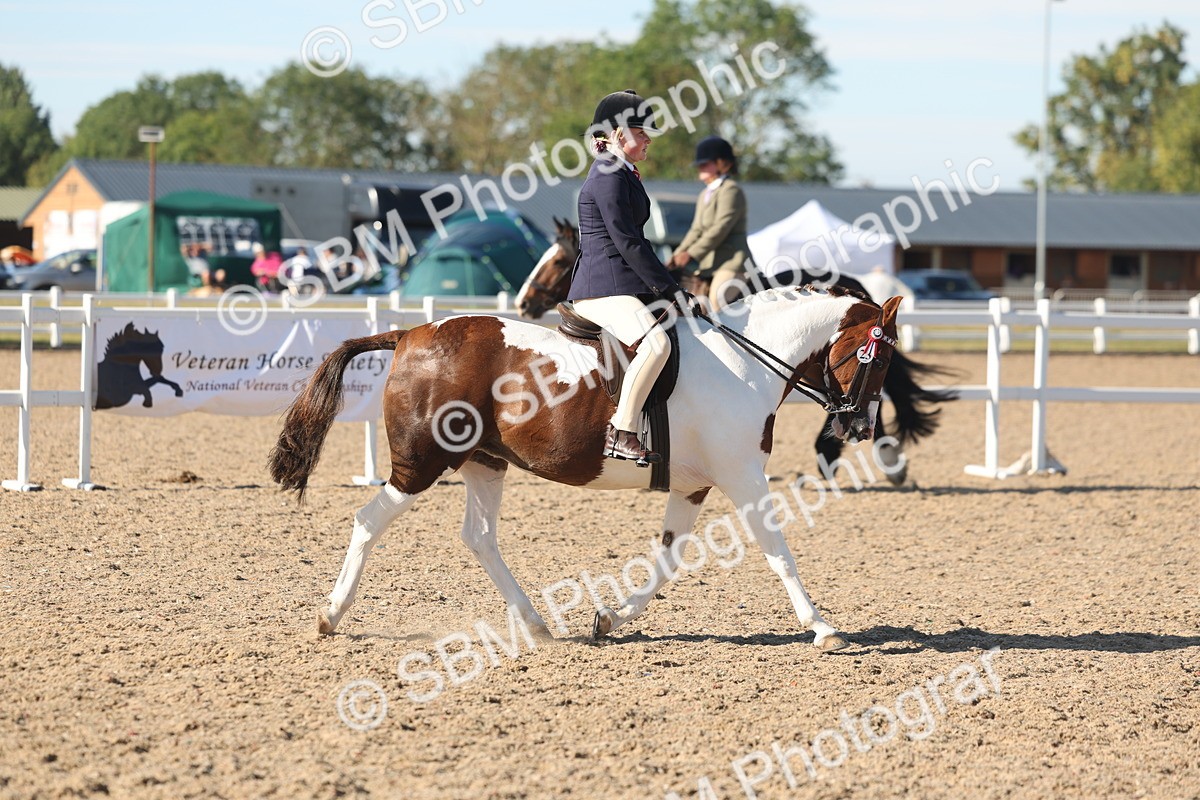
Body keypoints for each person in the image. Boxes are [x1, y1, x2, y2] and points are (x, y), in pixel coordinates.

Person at [568, 89, 694, 467]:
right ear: (619, 134)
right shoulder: (609, 174)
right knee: (656, 345)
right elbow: (627, 242)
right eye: (642, 132)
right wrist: (669, 288)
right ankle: (622, 431)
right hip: (603, 287)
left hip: (621, 284)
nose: (648, 139)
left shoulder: (622, 172)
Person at [670, 136, 750, 310]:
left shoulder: (731, 190)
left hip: (732, 262)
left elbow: (720, 228)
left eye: (705, 163)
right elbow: (696, 229)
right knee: (696, 306)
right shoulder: (704, 194)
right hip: (709, 264)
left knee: (716, 299)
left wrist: (690, 254)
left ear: (723, 163)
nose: (700, 167)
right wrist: (677, 254)